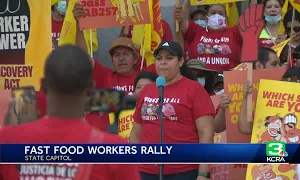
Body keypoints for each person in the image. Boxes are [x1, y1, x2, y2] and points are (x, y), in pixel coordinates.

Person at [0, 45, 140, 180]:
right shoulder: (116, 152)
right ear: (91, 89)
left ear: (43, 85)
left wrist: (11, 132)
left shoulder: (6, 140)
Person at [129, 40, 215, 180]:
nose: (163, 62)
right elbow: (136, 133)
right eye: (159, 58)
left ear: (181, 62)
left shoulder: (194, 89)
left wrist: (203, 173)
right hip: (145, 170)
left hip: (183, 170)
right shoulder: (147, 91)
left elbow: (206, 134)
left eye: (169, 58)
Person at [238, 66, 300, 135]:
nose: (292, 84)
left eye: (298, 81)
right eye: (288, 80)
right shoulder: (270, 104)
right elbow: (245, 129)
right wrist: (245, 97)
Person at [175, 0, 242, 71]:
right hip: (199, 78)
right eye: (213, 13)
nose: (217, 16)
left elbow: (252, 21)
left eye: (221, 13)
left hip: (227, 79)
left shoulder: (234, 32)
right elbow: (182, 18)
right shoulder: (196, 31)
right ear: (206, 18)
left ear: (226, 19)